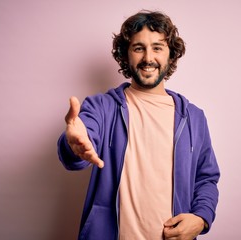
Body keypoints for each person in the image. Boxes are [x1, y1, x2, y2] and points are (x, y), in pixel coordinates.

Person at [57, 10, 220, 240]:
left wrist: (202, 217)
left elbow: (206, 178)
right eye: (138, 48)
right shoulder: (101, 107)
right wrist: (74, 147)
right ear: (126, 55)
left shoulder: (193, 117)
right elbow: (80, 142)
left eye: (157, 47)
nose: (148, 58)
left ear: (170, 54)